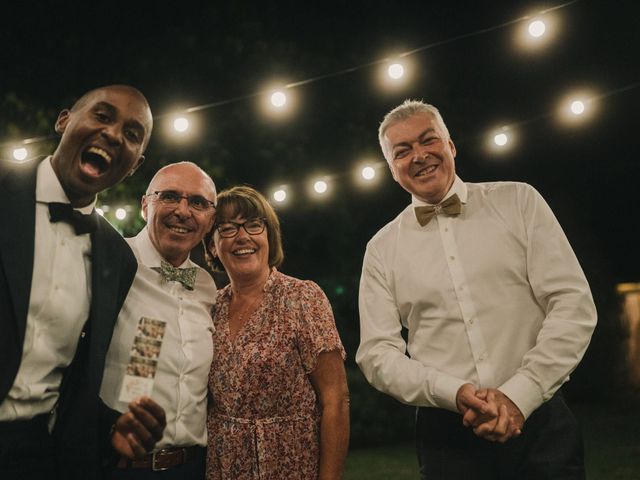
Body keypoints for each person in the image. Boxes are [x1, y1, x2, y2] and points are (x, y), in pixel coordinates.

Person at [356, 100, 597, 479]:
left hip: (542, 423)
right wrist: (452, 392)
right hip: (446, 438)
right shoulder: (381, 248)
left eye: (428, 140)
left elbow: (573, 304)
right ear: (391, 168)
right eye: (402, 151)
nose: (419, 156)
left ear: (451, 145)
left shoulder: (520, 201)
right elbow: (377, 354)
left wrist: (522, 394)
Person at [0, 85, 166, 480]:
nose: (111, 134)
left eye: (130, 133)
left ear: (134, 165)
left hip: (37, 455)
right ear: (64, 120)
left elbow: (79, 378)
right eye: (103, 116)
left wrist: (111, 428)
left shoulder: (117, 257)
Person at [204, 186, 350, 480]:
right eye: (228, 228)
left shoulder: (302, 297)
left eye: (254, 225)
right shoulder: (210, 306)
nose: (242, 236)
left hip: (291, 466)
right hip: (222, 468)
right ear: (211, 246)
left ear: (269, 235)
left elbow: (336, 399)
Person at [101, 161, 218, 478]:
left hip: (193, 468)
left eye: (197, 202)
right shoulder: (110, 263)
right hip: (120, 467)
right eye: (169, 196)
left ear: (209, 220)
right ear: (145, 206)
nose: (183, 211)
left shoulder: (209, 287)